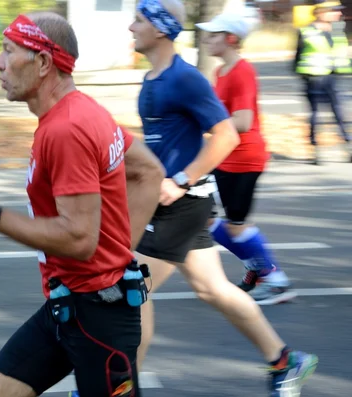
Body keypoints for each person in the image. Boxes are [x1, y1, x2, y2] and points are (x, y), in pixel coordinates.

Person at [0, 11, 164, 397]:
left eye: (8, 51)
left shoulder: (67, 129)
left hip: (98, 320)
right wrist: (117, 252)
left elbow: (79, 238)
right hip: (68, 308)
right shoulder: (83, 112)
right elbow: (149, 172)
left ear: (44, 63)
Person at [129, 1, 318, 396]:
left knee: (132, 289)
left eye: (139, 20)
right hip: (170, 201)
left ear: (161, 29)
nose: (131, 27)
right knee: (212, 288)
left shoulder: (185, 78)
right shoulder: (152, 79)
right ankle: (285, 362)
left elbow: (229, 134)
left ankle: (120, 386)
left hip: (183, 203)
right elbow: (163, 146)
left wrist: (180, 179)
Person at [195, 13, 296, 305]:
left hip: (244, 159)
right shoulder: (221, 72)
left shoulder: (242, 71)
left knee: (234, 225)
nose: (207, 40)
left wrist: (208, 123)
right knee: (205, 219)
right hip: (225, 157)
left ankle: (276, 281)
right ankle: (258, 267)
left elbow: (243, 121)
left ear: (231, 39)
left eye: (214, 35)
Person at [294, 0, 351, 165]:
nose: (339, 13)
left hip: (331, 79)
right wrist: (305, 75)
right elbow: (298, 59)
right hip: (314, 80)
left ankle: (348, 148)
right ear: (321, 12)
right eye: (335, 10)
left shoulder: (337, 31)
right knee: (315, 116)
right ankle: (315, 152)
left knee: (339, 114)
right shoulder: (306, 31)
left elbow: (340, 55)